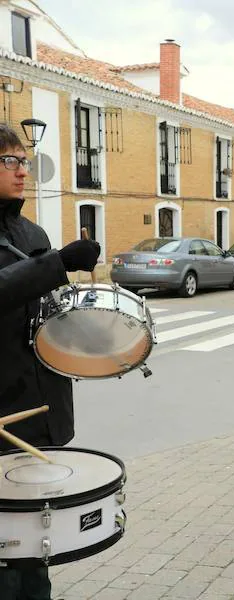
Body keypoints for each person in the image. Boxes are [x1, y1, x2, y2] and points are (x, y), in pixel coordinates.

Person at [0, 124, 100, 599]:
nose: (23, 171)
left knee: (34, 547)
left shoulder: (29, 230)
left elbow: (47, 311)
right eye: (11, 162)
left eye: (24, 161)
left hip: (39, 408)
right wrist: (58, 262)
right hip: (1, 410)